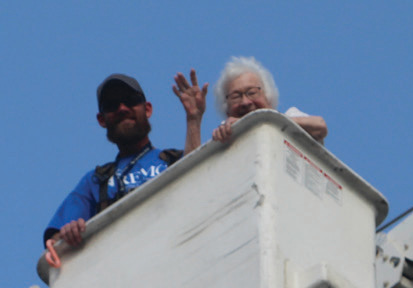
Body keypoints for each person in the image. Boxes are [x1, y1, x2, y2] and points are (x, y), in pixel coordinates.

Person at [43, 73, 205, 254]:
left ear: (148, 109)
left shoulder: (172, 159)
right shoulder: (95, 181)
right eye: (111, 105)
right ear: (102, 120)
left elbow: (196, 185)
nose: (122, 108)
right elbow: (53, 244)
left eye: (131, 100)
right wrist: (68, 232)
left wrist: (193, 120)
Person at [200, 57, 327, 148]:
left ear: (268, 97)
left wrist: (265, 119)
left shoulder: (291, 115)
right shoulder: (225, 135)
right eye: (236, 96)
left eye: (252, 92)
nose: (245, 102)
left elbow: (320, 126)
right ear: (227, 109)